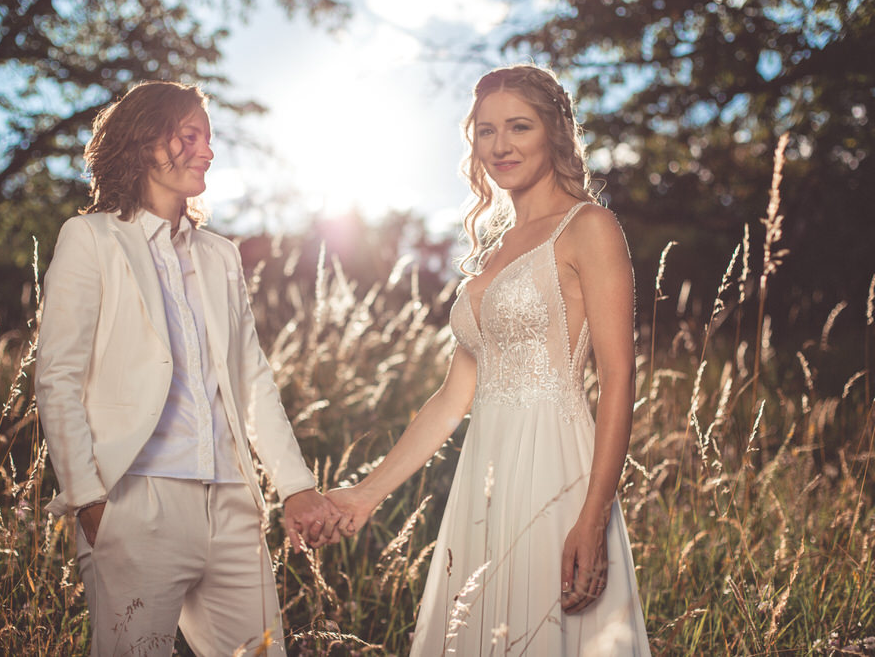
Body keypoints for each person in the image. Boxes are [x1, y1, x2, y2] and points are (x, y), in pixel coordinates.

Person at [329, 64, 651, 655]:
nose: (500, 145)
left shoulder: (590, 228)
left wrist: (593, 515)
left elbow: (619, 378)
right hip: (484, 474)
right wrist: (363, 494)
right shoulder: (494, 248)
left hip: (556, 468)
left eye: (519, 127)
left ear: (554, 132)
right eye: (485, 131)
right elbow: (453, 400)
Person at [35, 80, 341, 657]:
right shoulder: (91, 239)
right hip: (137, 501)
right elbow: (59, 377)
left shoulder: (220, 255)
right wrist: (89, 501)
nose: (208, 150)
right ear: (147, 141)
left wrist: (296, 486)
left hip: (232, 503)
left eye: (209, 138)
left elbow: (251, 380)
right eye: (191, 135)